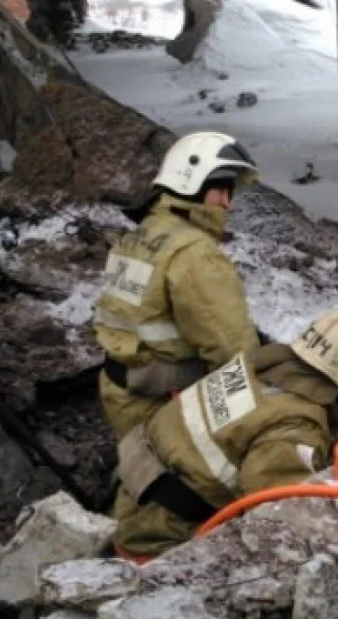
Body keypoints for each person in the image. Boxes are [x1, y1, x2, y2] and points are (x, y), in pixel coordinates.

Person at [110, 305, 338, 561]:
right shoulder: (296, 427)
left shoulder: (253, 367)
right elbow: (277, 515)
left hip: (129, 499)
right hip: (157, 541)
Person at [94, 131, 262, 440]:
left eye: (230, 193)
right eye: (220, 189)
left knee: (139, 474)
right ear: (192, 182)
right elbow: (231, 349)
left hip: (122, 392)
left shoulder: (140, 236)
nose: (226, 202)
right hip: (164, 403)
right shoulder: (193, 251)